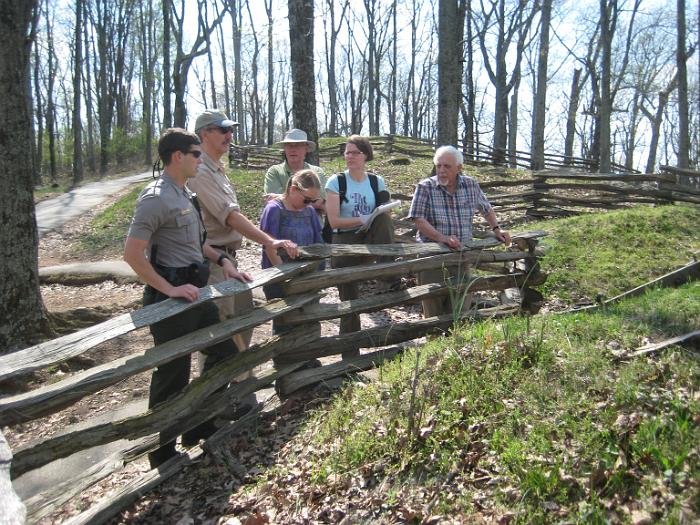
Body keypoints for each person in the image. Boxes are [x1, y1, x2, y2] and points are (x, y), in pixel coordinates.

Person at [123, 128, 253, 468]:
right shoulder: (155, 198)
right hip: (171, 302)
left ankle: (200, 424)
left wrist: (224, 261)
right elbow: (132, 254)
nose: (201, 159)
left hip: (196, 295)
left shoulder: (185, 193)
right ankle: (162, 452)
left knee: (224, 353)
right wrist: (168, 289)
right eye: (195, 154)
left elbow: (197, 245)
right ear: (177, 156)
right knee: (173, 375)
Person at [186, 109, 299, 378]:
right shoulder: (200, 171)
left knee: (241, 319)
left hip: (227, 260)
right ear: (204, 134)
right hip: (212, 261)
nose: (229, 135)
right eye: (222, 130)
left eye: (230, 130)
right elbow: (232, 217)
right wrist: (270, 240)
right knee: (218, 332)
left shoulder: (216, 169)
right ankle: (216, 400)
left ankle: (238, 386)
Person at [408, 145, 511, 318]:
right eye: (438, 166)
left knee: (460, 307)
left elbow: (486, 208)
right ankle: (436, 342)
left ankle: (454, 342)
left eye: (447, 166)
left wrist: (496, 228)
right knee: (434, 310)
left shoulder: (470, 185)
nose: (441, 170)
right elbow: (418, 219)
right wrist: (442, 238)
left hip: (461, 255)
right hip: (432, 257)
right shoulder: (425, 187)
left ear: (459, 168)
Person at [325, 135, 395, 358]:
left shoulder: (376, 182)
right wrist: (362, 218)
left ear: (366, 155)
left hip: (368, 239)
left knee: (384, 220)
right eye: (347, 152)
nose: (350, 156)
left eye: (355, 152)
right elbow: (334, 221)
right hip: (344, 242)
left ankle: (388, 270)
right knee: (349, 302)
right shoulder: (336, 182)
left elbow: (385, 212)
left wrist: (372, 218)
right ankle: (350, 355)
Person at [259, 169, 324, 349]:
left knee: (308, 322)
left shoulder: (309, 212)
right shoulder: (274, 209)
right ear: (293, 189)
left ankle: (307, 364)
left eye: (313, 200)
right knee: (284, 327)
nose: (309, 204)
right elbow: (269, 246)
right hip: (280, 281)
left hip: (307, 280)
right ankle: (284, 369)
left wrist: (317, 275)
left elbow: (318, 244)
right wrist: (285, 277)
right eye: (307, 199)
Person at [264, 128, 327, 212]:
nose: (293, 149)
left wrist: (285, 199)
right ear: (284, 149)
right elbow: (271, 201)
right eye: (289, 145)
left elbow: (324, 202)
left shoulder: (317, 172)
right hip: (283, 223)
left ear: (306, 149)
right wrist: (311, 201)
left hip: (312, 223)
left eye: (297, 145)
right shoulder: (274, 172)